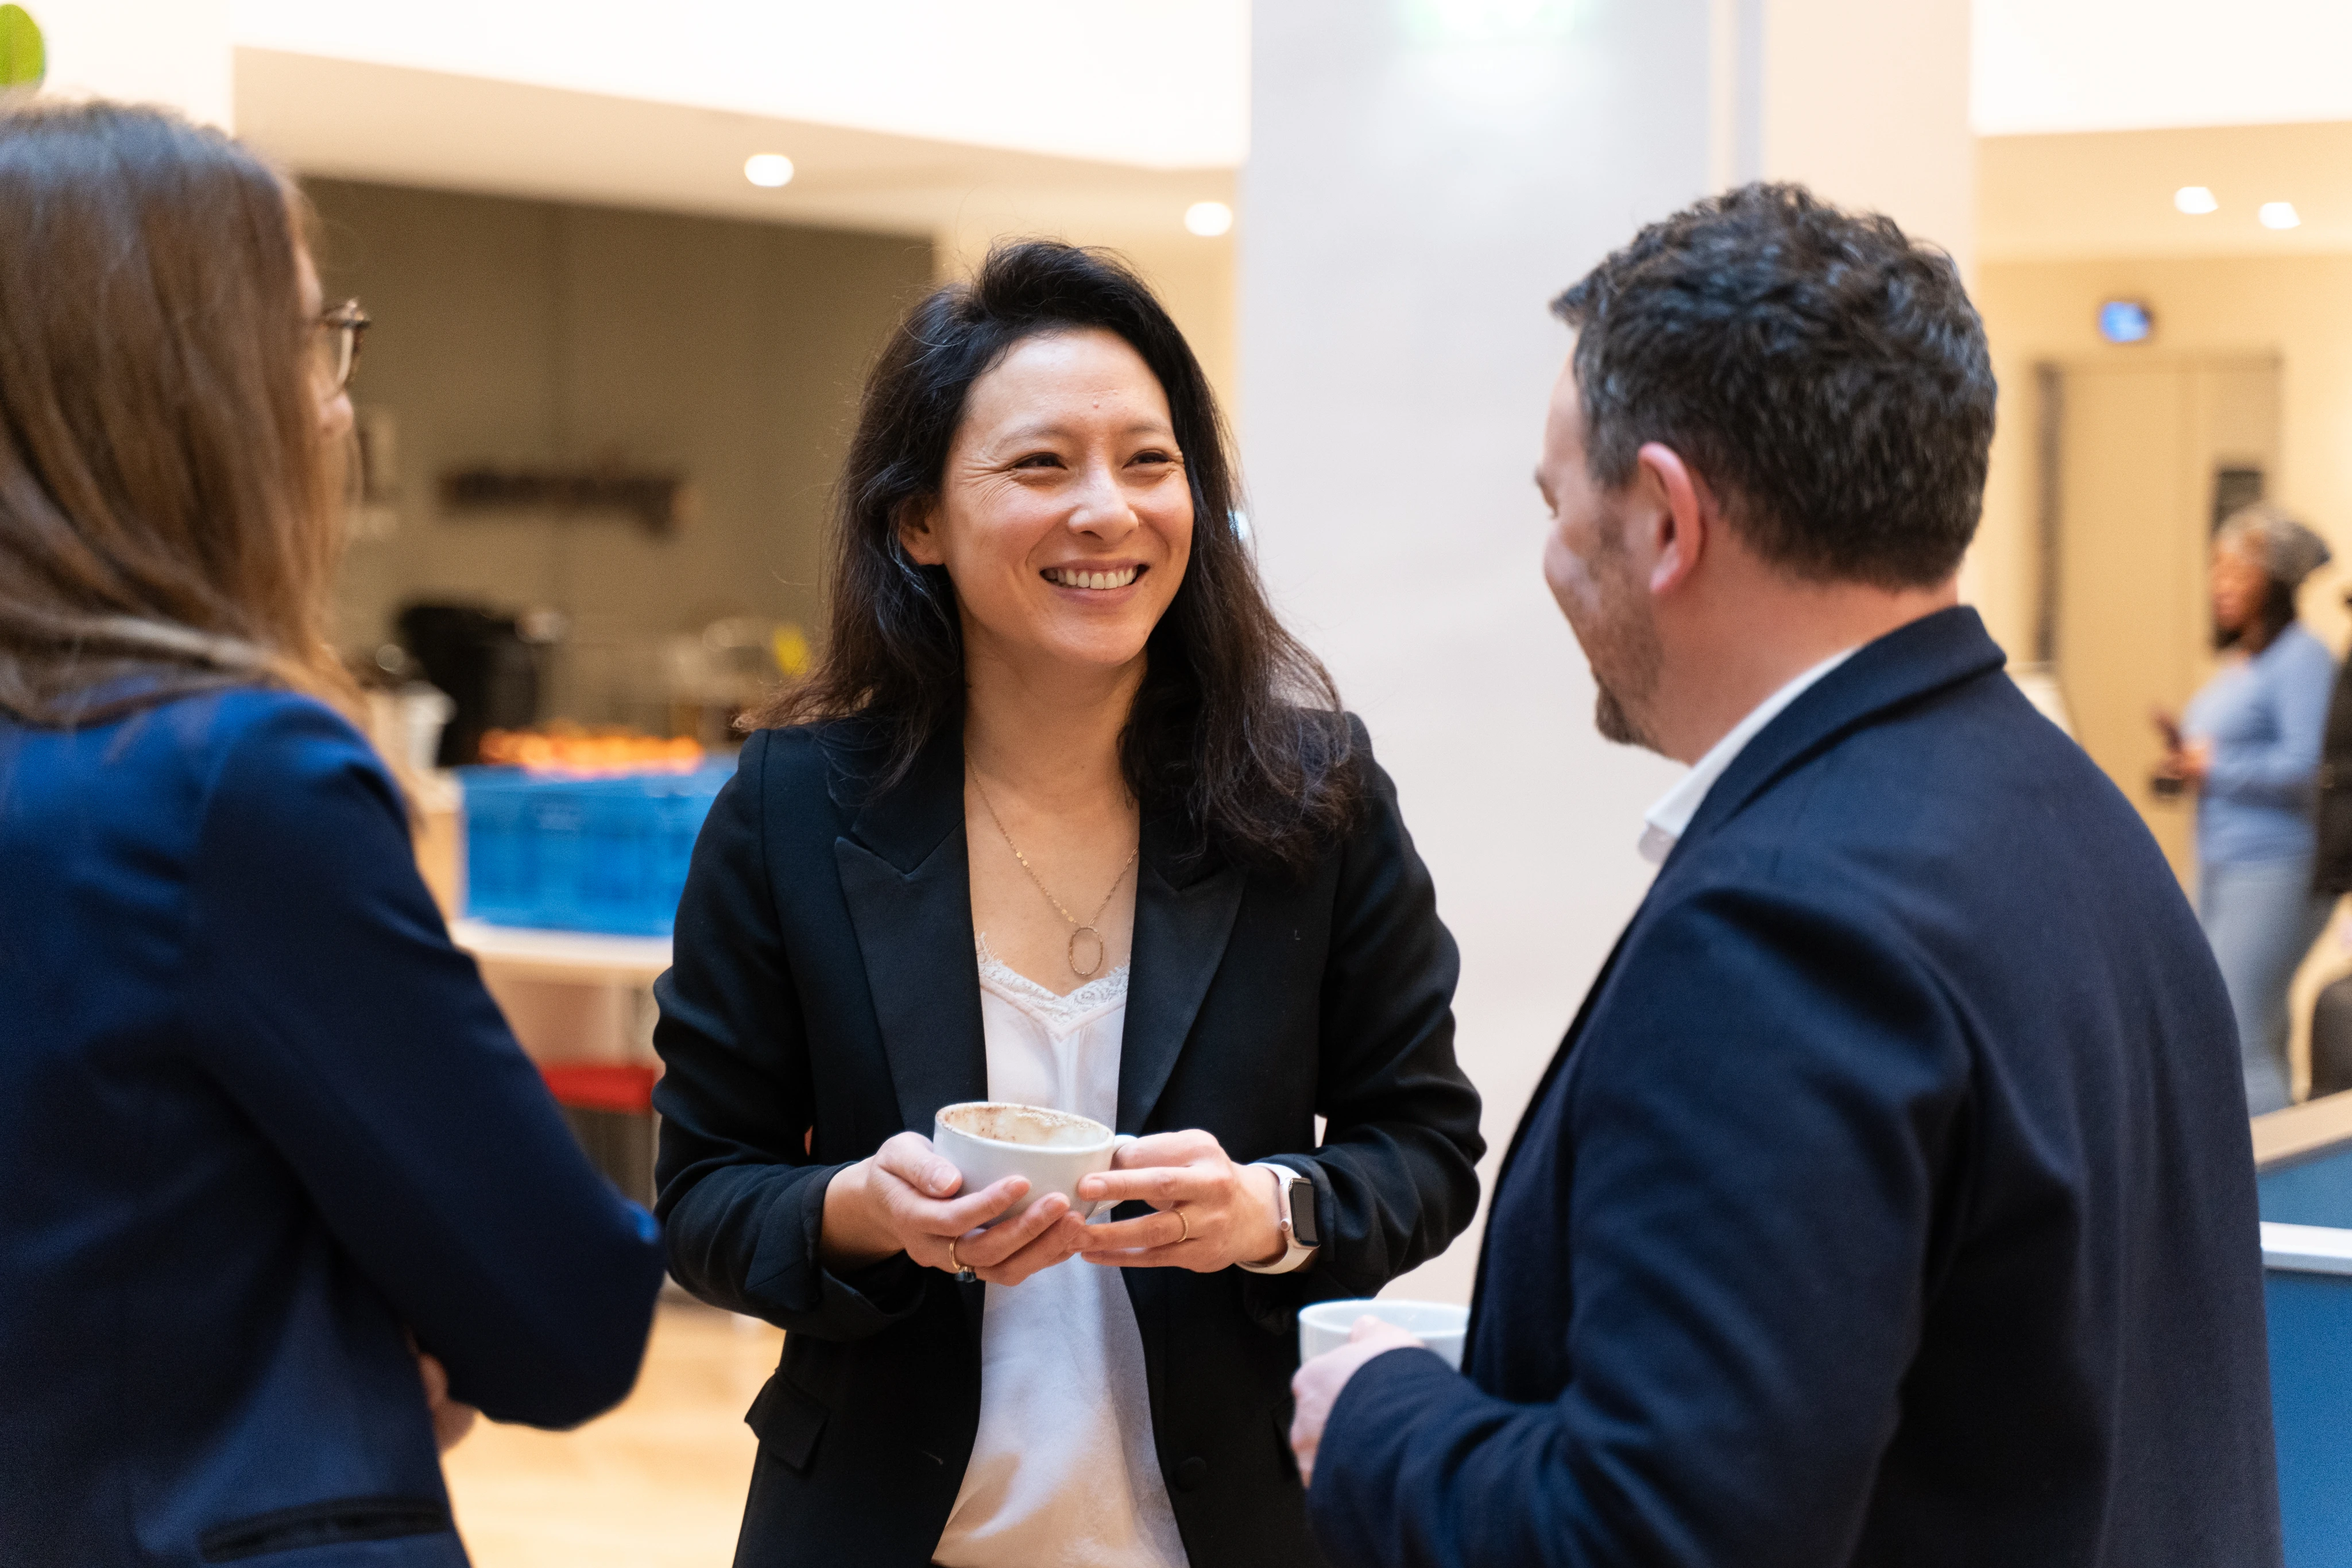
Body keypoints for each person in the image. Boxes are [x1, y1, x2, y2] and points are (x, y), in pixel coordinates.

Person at [1289, 184, 2280, 1567]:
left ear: (1668, 524)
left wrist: (1374, 1417)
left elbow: (1654, 1538)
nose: (1554, 558)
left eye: (1559, 502)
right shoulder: (2073, 812)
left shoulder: (1781, 925)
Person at [652, 239, 1484, 1568]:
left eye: (1150, 463)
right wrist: (865, 1211)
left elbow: (1426, 1149)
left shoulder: (1313, 794)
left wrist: (1263, 1211)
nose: (1108, 510)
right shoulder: (793, 807)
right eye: (1042, 465)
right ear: (918, 519)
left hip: (1227, 1529)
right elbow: (703, 1195)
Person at [0, 102, 666, 1567]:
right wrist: (360, 1348)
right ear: (188, 399)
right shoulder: (229, 780)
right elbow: (564, 1314)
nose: (334, 404)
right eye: (311, 345)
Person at [2155, 504, 2339, 1114]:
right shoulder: (2245, 664)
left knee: (2236, 1037)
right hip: (2225, 866)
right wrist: (2188, 765)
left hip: (2277, 868)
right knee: (2258, 1031)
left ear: (2276, 582)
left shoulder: (2302, 659)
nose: (2221, 583)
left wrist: (2217, 767)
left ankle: (2259, 1192)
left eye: (2239, 570)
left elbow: (2310, 768)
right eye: (2216, 568)